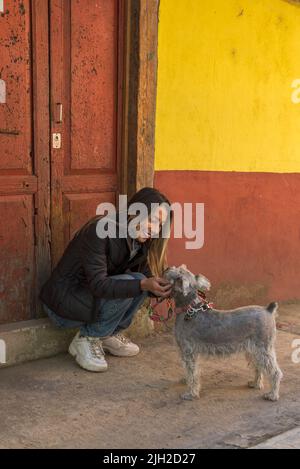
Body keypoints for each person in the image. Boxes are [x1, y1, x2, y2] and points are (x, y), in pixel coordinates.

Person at [39, 187, 173, 372]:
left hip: (89, 302)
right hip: (64, 305)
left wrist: (167, 285)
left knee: (139, 280)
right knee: (135, 282)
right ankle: (88, 338)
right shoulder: (99, 231)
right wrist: (143, 284)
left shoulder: (139, 241)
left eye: (161, 225)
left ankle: (108, 333)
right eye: (153, 220)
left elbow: (145, 279)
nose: (156, 229)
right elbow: (99, 285)